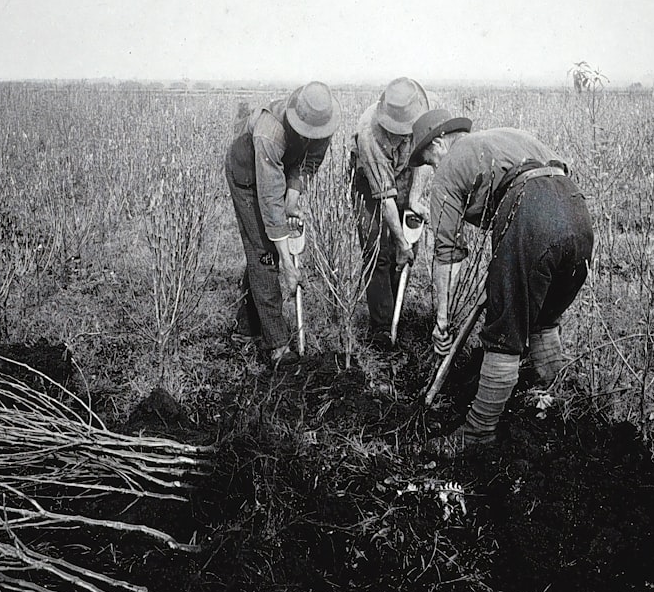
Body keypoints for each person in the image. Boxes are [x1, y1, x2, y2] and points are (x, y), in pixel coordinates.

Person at [408, 109, 595, 454]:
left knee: (504, 334)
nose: (434, 168)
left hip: (530, 213)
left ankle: (478, 433)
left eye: (429, 160)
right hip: (577, 214)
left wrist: (442, 321)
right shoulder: (508, 137)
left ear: (438, 143)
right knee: (541, 320)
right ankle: (556, 405)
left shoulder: (449, 169)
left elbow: (446, 254)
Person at [224, 81, 340, 367]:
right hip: (248, 177)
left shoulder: (323, 125)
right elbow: (270, 206)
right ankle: (276, 345)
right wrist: (288, 265)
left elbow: (307, 164)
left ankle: (245, 329)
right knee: (264, 253)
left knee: (262, 254)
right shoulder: (270, 132)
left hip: (277, 172)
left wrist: (293, 200)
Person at [349, 77, 430, 349]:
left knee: (405, 252)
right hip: (368, 179)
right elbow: (384, 198)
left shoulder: (422, 114)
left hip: (405, 174)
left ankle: (396, 308)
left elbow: (423, 160)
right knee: (377, 250)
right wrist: (399, 240)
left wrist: (416, 197)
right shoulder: (369, 134)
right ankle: (382, 327)